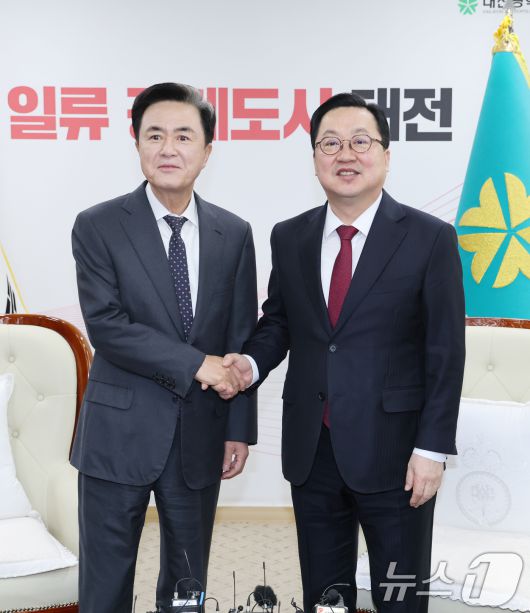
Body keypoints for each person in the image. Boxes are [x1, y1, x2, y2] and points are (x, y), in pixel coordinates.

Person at [224, 93, 465, 613]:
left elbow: (445, 352)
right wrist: (249, 364)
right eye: (330, 144)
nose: (346, 155)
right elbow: (280, 321)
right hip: (313, 449)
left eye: (361, 141)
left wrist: (432, 449)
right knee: (326, 596)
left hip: (398, 453)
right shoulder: (290, 236)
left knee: (400, 593)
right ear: (315, 157)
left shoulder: (430, 239)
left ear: (386, 154)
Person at [71, 82, 257, 613]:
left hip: (201, 436)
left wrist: (238, 428)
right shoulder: (98, 225)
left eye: (183, 136)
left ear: (207, 150)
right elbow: (107, 326)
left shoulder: (233, 233)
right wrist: (197, 364)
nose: (168, 148)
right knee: (105, 587)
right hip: (117, 436)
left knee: (186, 588)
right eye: (154, 135)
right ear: (136, 143)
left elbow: (239, 336)